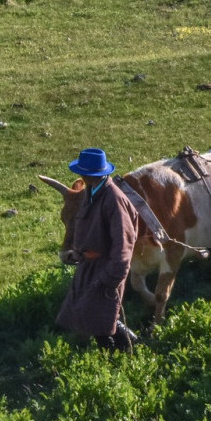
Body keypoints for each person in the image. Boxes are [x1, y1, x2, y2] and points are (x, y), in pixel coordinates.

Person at [55, 148, 141, 352]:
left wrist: (110, 278)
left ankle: (130, 348)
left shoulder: (114, 199)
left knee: (102, 317)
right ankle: (115, 354)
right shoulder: (91, 192)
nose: (80, 176)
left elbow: (124, 243)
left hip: (106, 269)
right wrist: (79, 252)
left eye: (82, 172)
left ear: (90, 174)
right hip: (88, 266)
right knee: (89, 314)